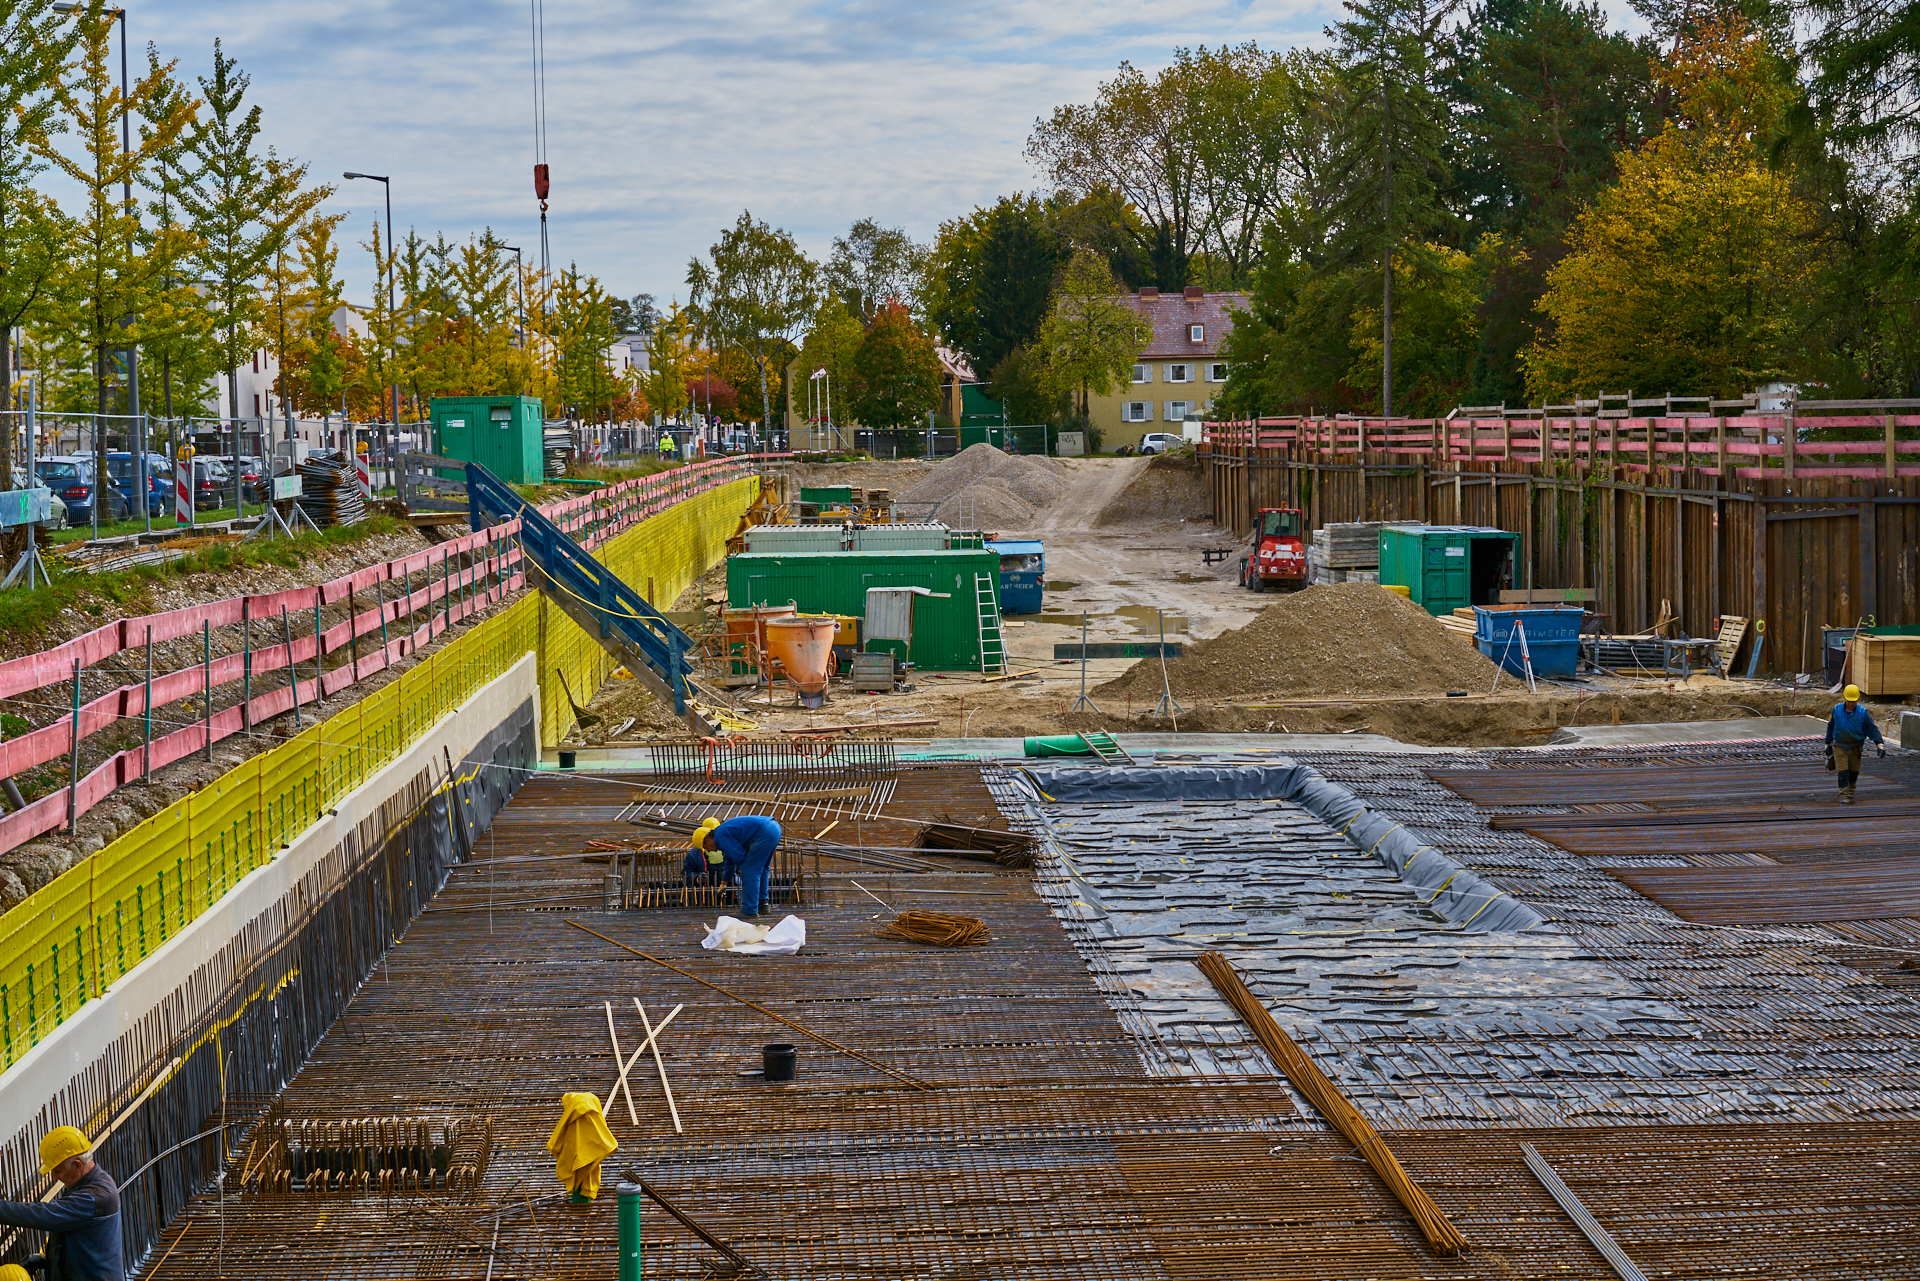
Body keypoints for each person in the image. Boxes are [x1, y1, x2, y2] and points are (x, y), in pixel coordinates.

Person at [0, 1126, 122, 1280]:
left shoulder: (93, 1198)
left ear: (77, 1165)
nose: (54, 1178)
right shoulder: (86, 1185)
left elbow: (41, 1215)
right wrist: (45, 1259)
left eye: (58, 1171)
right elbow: (80, 1243)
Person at [694, 815, 783, 918]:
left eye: (706, 848)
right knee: (762, 869)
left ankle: (750, 911)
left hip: (764, 832)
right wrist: (724, 882)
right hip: (773, 828)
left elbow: (739, 857)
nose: (709, 851)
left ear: (708, 841)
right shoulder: (721, 832)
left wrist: (742, 869)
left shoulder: (720, 837)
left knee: (749, 871)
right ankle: (763, 904)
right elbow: (729, 859)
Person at [1825, 683, 1886, 805]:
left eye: (1853, 701)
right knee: (1842, 772)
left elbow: (1872, 729)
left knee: (1853, 772)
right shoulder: (1836, 710)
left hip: (1855, 747)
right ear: (1844, 698)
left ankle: (1850, 793)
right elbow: (1831, 726)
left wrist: (1879, 744)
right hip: (1840, 746)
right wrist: (1827, 743)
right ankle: (1843, 796)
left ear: (1857, 699)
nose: (1851, 704)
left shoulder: (1863, 713)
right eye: (1849, 701)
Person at [681, 818, 729, 888]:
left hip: (727, 891)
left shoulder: (727, 849)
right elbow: (687, 872)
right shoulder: (695, 854)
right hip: (704, 893)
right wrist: (697, 879)